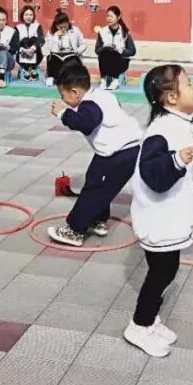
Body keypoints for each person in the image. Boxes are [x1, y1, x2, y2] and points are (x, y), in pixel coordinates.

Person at [126, 64, 193, 357]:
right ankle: (139, 325)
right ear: (171, 97)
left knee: (166, 271)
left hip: (171, 217)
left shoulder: (180, 124)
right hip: (158, 218)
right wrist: (175, 160)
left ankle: (150, 320)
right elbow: (153, 174)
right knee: (161, 273)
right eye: (188, 84)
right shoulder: (162, 130)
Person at [47, 63, 142, 247]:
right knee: (96, 181)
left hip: (118, 154)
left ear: (75, 92)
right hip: (123, 150)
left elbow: (86, 123)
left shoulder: (90, 104)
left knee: (94, 190)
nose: (62, 99)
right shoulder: (103, 94)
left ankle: (75, 230)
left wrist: (62, 113)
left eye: (63, 95)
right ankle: (98, 219)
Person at [95, 6, 136, 90]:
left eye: (111, 16)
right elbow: (97, 50)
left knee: (114, 53)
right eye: (107, 16)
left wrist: (119, 50)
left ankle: (115, 81)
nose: (109, 19)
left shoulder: (125, 33)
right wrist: (105, 47)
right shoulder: (102, 32)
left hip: (121, 61)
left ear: (118, 17)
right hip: (106, 61)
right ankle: (103, 81)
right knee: (105, 53)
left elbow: (132, 51)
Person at [45, 11, 86, 87]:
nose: (63, 29)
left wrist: (77, 51)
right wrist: (56, 37)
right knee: (52, 58)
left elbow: (84, 44)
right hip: (57, 56)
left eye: (65, 26)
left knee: (71, 63)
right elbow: (51, 49)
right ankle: (51, 77)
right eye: (60, 27)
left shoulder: (75, 30)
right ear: (56, 25)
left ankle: (69, 78)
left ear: (68, 22)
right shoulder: (51, 32)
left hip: (71, 55)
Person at [15, 6, 44, 82]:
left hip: (35, 52)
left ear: (33, 16)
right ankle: (25, 69)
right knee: (24, 41)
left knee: (34, 39)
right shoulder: (17, 27)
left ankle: (33, 68)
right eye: (26, 15)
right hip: (22, 53)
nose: (28, 17)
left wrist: (33, 48)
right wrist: (23, 50)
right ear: (22, 15)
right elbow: (15, 42)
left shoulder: (37, 26)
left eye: (31, 15)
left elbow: (41, 39)